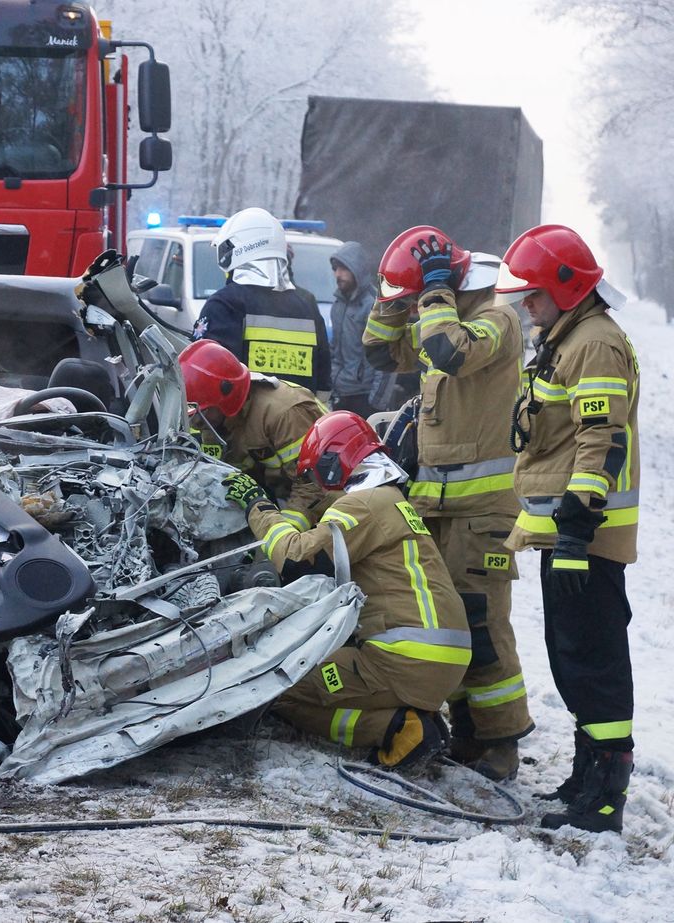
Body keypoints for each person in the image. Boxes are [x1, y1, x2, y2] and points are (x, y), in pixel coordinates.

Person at [361, 226, 534, 781]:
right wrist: (400, 299)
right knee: (450, 624)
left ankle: (500, 742)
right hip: (438, 506)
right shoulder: (442, 316)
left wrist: (433, 293)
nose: (422, 308)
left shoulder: (496, 319)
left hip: (483, 513)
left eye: (428, 297)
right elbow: (380, 353)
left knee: (483, 627)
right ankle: (467, 735)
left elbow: (447, 351)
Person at [497, 224, 638, 832]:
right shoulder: (568, 337)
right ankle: (587, 778)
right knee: (573, 658)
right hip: (568, 535)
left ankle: (604, 797)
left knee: (594, 662)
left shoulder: (594, 344)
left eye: (532, 293)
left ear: (566, 285)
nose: (525, 304)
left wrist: (578, 532)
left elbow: (599, 442)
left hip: (587, 537)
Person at [233, 410, 470, 768]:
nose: (320, 484)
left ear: (334, 461)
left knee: (275, 683)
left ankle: (396, 729)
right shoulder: (390, 500)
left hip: (404, 659)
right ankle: (414, 718)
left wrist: (258, 506)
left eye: (318, 472)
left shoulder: (363, 504)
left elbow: (299, 559)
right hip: (433, 660)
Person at [180, 340, 327, 532]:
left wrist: (277, 538)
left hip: (327, 503)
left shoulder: (283, 414)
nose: (194, 422)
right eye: (188, 410)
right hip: (276, 493)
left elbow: (314, 488)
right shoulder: (210, 418)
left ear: (227, 399)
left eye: (200, 411)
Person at [193, 207, 332, 398]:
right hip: (301, 422)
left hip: (242, 425)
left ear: (237, 250)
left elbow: (207, 378)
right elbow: (323, 383)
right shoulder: (307, 303)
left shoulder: (224, 304)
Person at [327, 241, 379, 417]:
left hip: (364, 397)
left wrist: (375, 403)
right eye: (335, 269)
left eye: (343, 268)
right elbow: (335, 350)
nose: (337, 274)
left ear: (357, 269)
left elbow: (386, 357)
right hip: (340, 394)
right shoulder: (338, 305)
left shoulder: (373, 305)